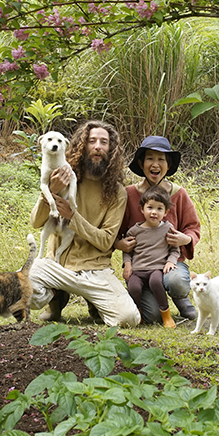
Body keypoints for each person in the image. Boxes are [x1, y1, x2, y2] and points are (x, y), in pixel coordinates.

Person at [29, 120, 140, 327]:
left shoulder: (117, 192)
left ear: (111, 150)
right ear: (81, 146)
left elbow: (106, 241)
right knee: (22, 291)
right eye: (91, 141)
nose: (97, 146)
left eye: (104, 142)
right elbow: (36, 222)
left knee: (129, 319)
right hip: (57, 265)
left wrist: (73, 217)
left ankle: (94, 301)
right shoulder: (64, 175)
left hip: (94, 270)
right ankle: (56, 296)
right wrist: (52, 190)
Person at [115, 135, 201, 323]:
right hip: (141, 265)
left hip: (170, 262)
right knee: (152, 316)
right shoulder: (129, 194)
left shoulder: (178, 194)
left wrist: (185, 239)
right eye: (150, 158)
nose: (155, 164)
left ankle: (181, 299)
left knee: (176, 280)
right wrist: (119, 244)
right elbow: (114, 229)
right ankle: (146, 300)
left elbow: (193, 227)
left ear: (168, 165)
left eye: (161, 159)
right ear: (141, 163)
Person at [123, 186, 180, 328]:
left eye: (159, 209)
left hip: (156, 269)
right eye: (150, 207)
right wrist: (127, 264)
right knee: (133, 287)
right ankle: (138, 313)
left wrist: (170, 262)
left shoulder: (167, 228)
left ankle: (166, 315)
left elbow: (175, 249)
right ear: (142, 209)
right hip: (137, 270)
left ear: (166, 212)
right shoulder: (134, 231)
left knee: (156, 282)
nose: (154, 212)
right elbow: (127, 250)